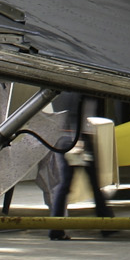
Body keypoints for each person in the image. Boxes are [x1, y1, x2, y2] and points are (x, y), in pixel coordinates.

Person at [46, 92, 114, 241]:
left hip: (70, 137)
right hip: (76, 138)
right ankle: (106, 224)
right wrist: (78, 141)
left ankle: (56, 228)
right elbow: (74, 114)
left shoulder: (69, 92)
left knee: (67, 185)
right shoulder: (81, 92)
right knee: (84, 184)